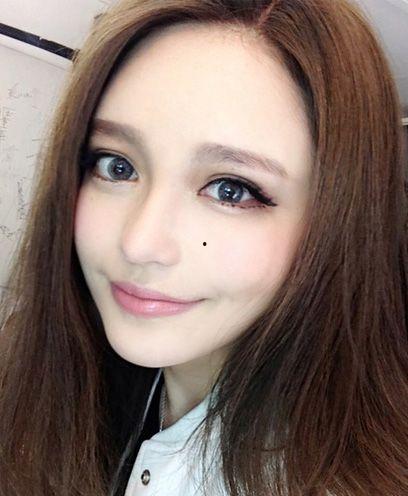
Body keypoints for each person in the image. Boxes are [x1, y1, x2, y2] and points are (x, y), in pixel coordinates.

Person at [0, 0, 407, 495]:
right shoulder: (50, 380)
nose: (139, 243)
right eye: (116, 166)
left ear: (339, 221)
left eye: (230, 190)